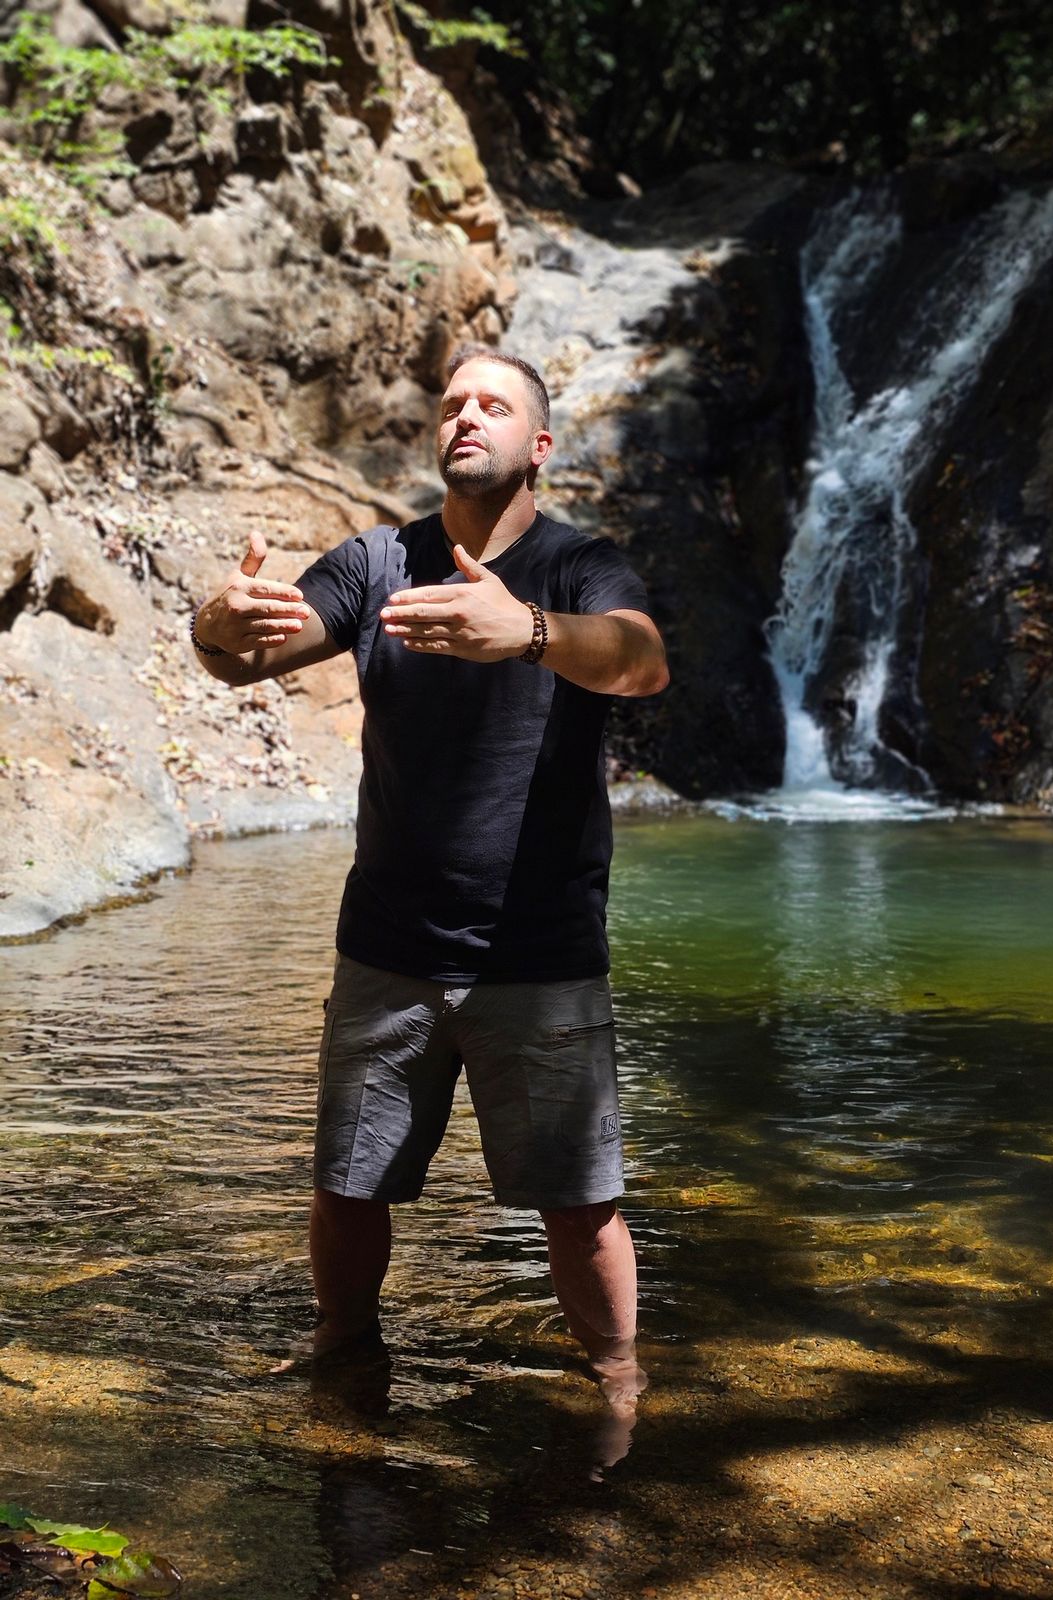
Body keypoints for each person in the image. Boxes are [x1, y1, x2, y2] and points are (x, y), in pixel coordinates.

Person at [190, 345, 669, 1439]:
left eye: (493, 405)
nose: (466, 417)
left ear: (539, 444)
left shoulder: (582, 568)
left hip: (541, 953)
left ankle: (619, 1379)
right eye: (453, 403)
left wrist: (531, 633)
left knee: (581, 1204)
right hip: (389, 947)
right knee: (348, 1184)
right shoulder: (376, 562)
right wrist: (219, 625)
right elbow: (255, 649)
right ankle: (342, 1351)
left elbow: (641, 661)